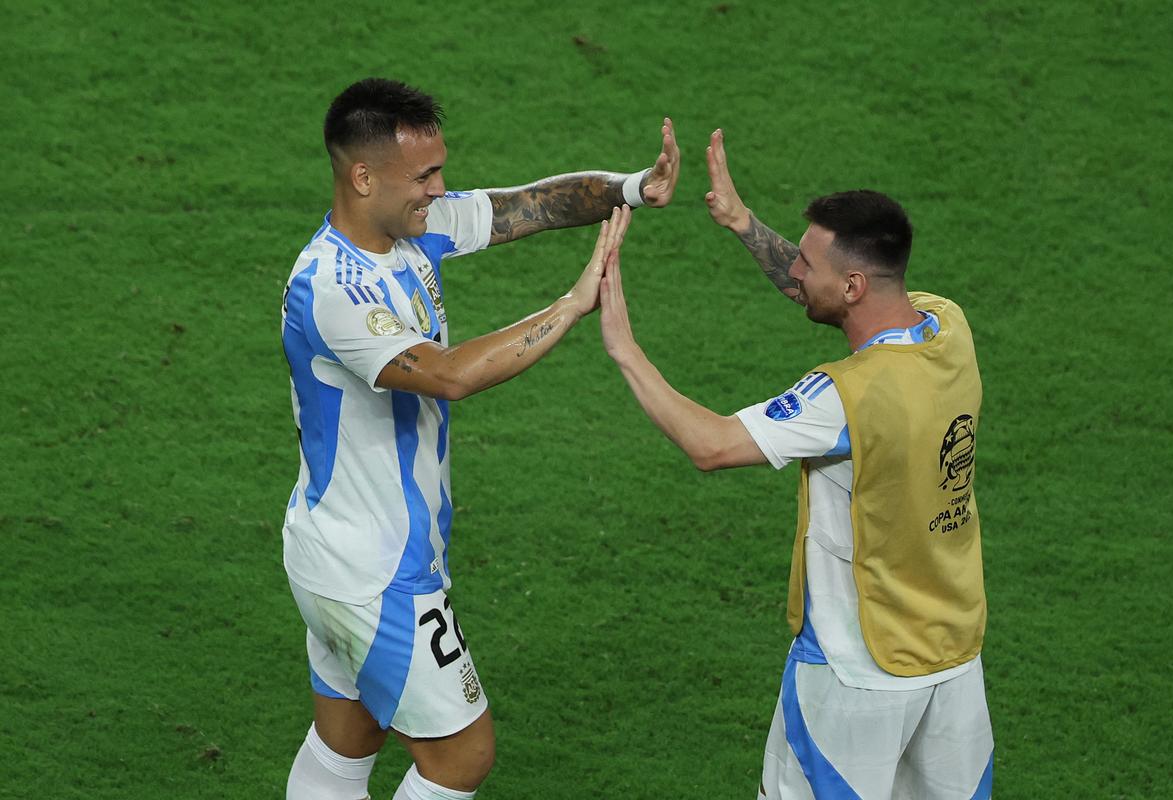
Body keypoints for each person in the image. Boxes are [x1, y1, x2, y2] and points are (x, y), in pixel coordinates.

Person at [279, 77, 673, 800]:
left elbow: (527, 206)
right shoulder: (333, 290)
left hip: (333, 550)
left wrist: (634, 187)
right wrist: (572, 304)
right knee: (462, 757)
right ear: (363, 176)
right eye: (424, 175)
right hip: (374, 573)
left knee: (348, 737)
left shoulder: (413, 227)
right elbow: (451, 374)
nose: (440, 189)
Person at [596, 129, 993, 799]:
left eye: (809, 264)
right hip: (953, 667)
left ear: (857, 282)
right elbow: (828, 294)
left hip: (856, 672)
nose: (797, 274)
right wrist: (742, 223)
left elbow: (712, 444)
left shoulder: (845, 396)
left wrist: (624, 348)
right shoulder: (945, 326)